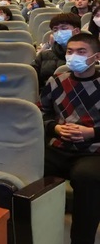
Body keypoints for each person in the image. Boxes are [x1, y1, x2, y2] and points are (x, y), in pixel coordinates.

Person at [37, 33, 100, 244]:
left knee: (87, 177)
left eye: (81, 52)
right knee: (26, 165)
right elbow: (41, 113)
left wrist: (91, 132)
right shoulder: (56, 82)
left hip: (93, 150)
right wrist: (55, 128)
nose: (74, 56)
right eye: (70, 52)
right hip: (58, 146)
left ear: (96, 57)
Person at [32, 13, 81, 91]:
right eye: (55, 30)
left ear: (77, 31)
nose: (59, 32)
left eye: (64, 28)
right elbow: (30, 81)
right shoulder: (43, 56)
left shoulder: (90, 55)